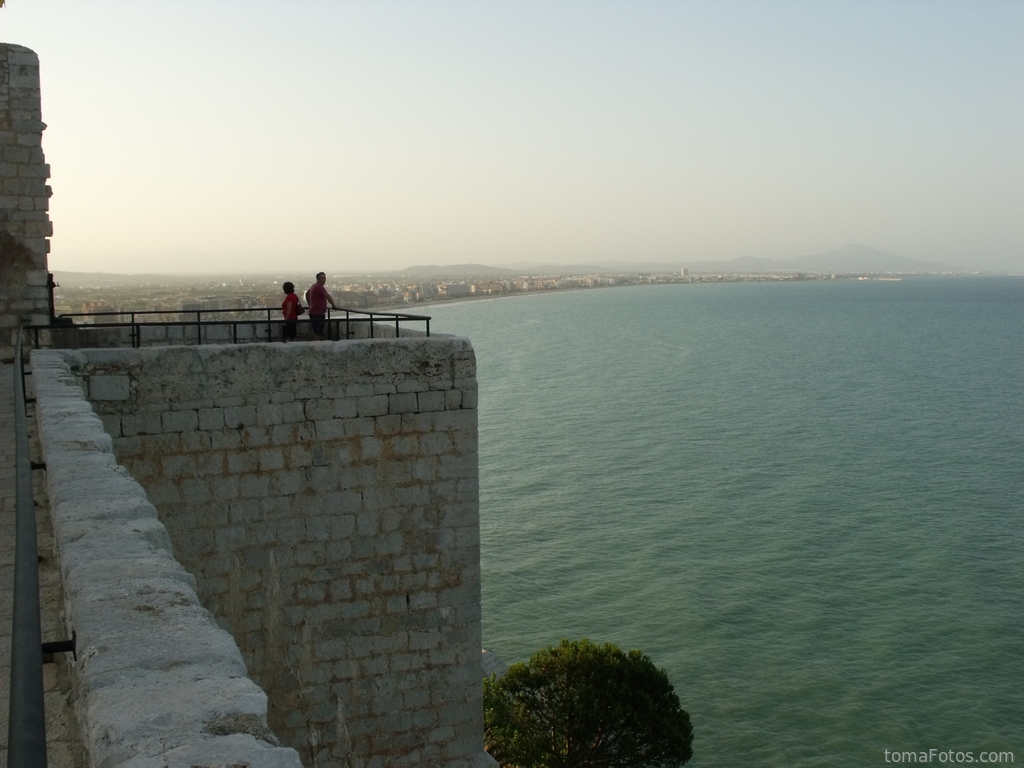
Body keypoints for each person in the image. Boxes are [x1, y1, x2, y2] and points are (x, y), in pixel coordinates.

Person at [305, 272, 338, 340]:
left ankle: (316, 345)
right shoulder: (319, 286)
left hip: (314, 312)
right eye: (322, 278)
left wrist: (310, 305)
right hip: (318, 313)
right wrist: (333, 305)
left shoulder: (314, 285)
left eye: (324, 278)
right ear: (318, 279)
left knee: (316, 331)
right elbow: (327, 296)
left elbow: (307, 294)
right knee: (318, 332)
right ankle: (318, 347)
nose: (324, 280)